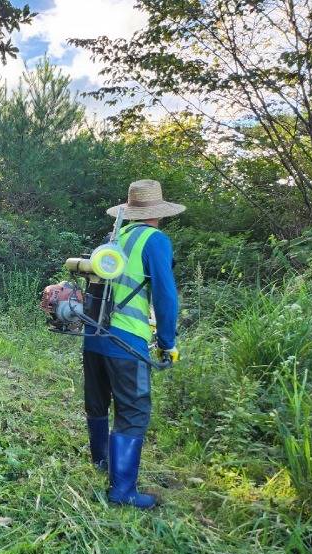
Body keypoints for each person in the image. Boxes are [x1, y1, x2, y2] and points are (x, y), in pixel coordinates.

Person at [83, 179, 183, 509]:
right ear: (159, 212)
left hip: (93, 336)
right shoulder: (155, 240)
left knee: (98, 403)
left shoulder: (114, 238)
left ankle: (101, 462)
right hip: (126, 342)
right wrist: (167, 342)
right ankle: (122, 491)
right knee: (134, 411)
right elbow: (165, 296)